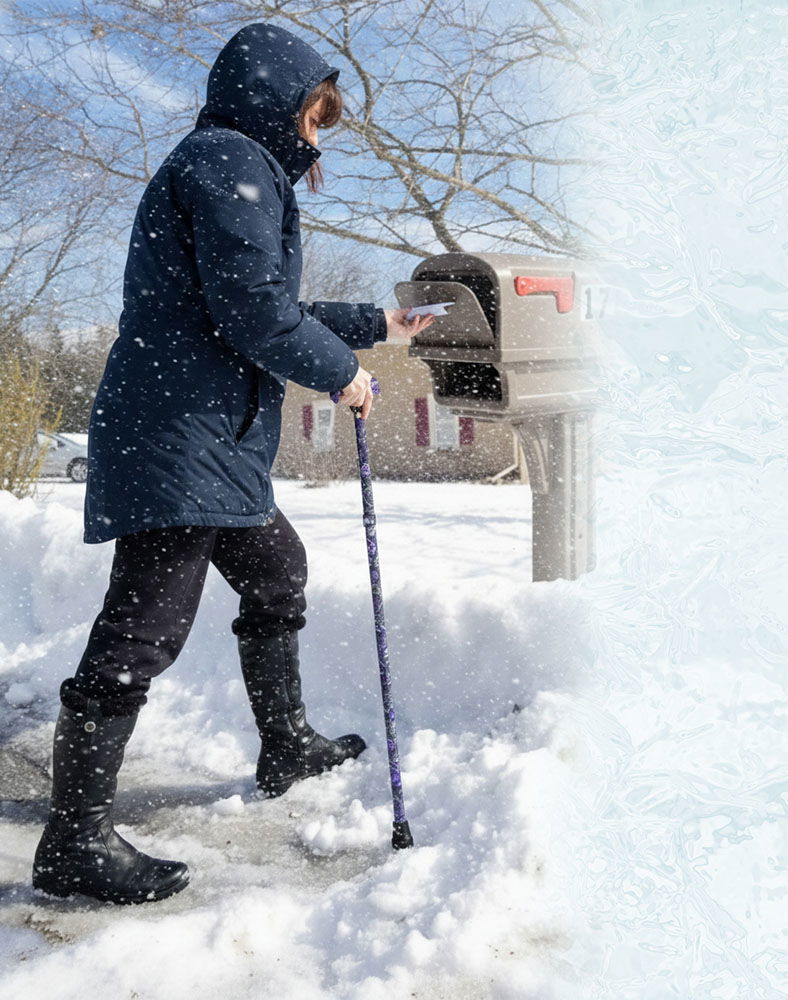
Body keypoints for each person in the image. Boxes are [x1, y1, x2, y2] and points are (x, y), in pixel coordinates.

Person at [30, 22, 435, 905]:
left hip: (211, 444)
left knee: (277, 569)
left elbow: (265, 302)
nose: (316, 138)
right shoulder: (227, 162)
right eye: (315, 118)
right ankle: (73, 842)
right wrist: (348, 377)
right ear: (275, 100)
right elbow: (254, 313)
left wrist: (379, 323)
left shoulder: (235, 169)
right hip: (182, 440)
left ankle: (285, 741)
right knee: (142, 633)